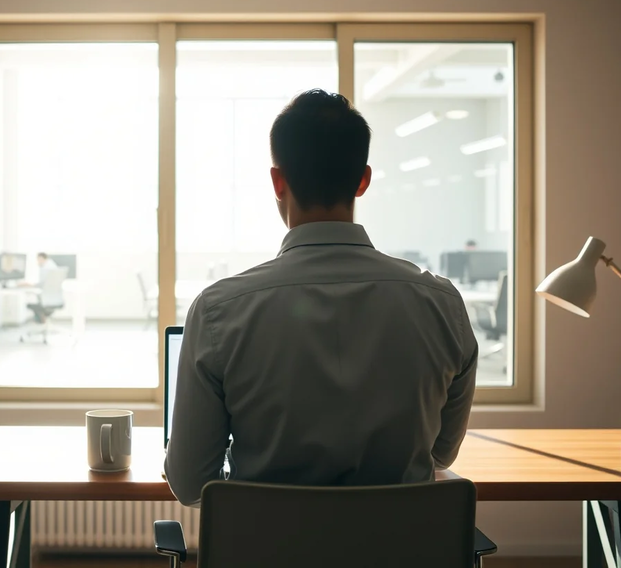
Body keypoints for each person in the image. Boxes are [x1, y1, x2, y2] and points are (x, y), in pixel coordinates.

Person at [164, 89, 478, 507]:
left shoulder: (220, 310)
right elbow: (439, 454)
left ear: (279, 182)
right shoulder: (442, 305)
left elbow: (190, 483)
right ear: (362, 180)